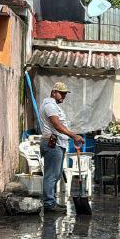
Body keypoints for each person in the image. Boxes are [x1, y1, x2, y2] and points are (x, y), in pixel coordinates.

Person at [38, 82, 84, 213]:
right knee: (51, 175)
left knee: (56, 175)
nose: (64, 96)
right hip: (53, 143)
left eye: (65, 93)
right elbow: (57, 126)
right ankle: (48, 204)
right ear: (54, 92)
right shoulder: (50, 106)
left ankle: (51, 202)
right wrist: (74, 136)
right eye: (61, 93)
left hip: (57, 143)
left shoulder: (53, 105)